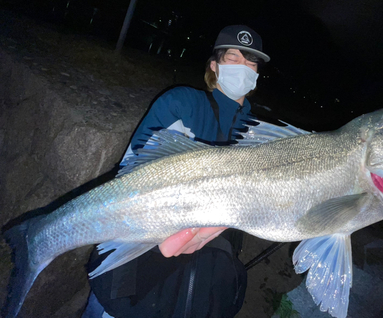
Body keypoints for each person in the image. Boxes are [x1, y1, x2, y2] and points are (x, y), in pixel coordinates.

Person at [82, 25, 270, 318]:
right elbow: (131, 176)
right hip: (142, 254)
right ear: (214, 66)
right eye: (233, 58)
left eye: (251, 62)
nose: (242, 68)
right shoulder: (182, 103)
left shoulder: (258, 133)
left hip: (206, 272)